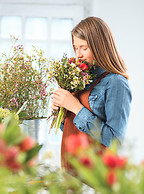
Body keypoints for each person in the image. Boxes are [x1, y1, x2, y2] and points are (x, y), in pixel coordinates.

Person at [51, 16, 132, 169]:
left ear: (100, 46)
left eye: (84, 48)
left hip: (96, 176)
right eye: (76, 48)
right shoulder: (80, 79)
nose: (78, 54)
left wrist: (76, 107)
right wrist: (62, 112)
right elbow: (71, 131)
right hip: (71, 172)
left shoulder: (116, 83)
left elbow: (116, 141)